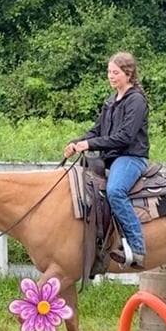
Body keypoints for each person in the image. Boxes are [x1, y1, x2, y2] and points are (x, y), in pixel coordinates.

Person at [63, 51, 150, 269]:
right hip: (111, 158)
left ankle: (137, 248)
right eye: (109, 72)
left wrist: (90, 145)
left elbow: (126, 136)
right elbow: (98, 130)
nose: (111, 76)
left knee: (115, 191)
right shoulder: (111, 101)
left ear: (128, 74)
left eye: (115, 72)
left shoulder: (136, 100)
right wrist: (77, 142)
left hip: (130, 157)